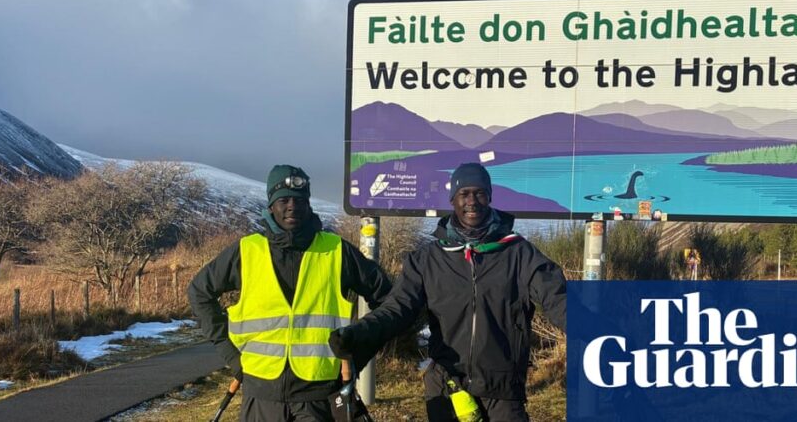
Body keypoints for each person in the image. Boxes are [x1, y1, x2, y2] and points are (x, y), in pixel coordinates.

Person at [330, 163, 567, 421]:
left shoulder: (520, 254)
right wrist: (359, 334)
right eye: (464, 194)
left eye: (479, 193)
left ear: (489, 197)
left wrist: (590, 330)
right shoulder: (427, 259)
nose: (472, 201)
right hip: (447, 388)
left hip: (502, 390)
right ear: (452, 199)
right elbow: (397, 308)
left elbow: (558, 300)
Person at [189, 165, 391, 421]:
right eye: (283, 200)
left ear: (308, 203)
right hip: (260, 394)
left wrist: (358, 345)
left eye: (299, 200)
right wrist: (231, 355)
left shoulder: (337, 251)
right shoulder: (247, 251)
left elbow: (390, 301)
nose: (292, 207)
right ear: (271, 205)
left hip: (318, 397)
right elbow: (199, 292)